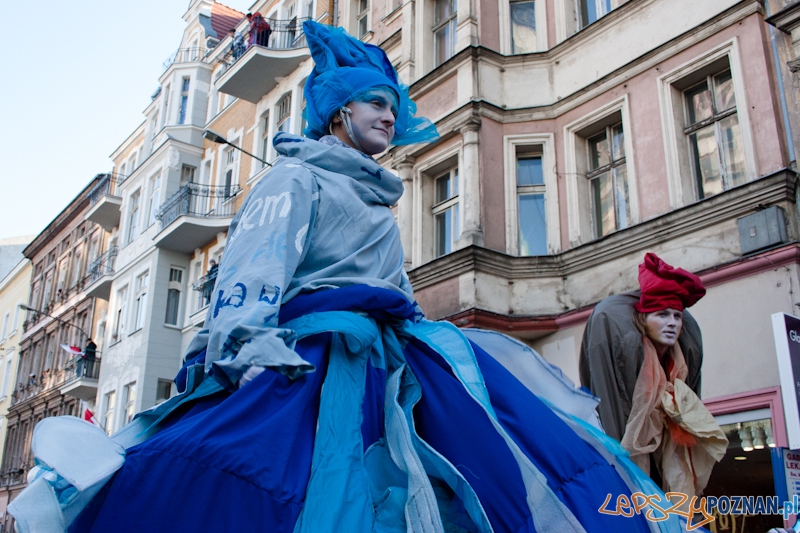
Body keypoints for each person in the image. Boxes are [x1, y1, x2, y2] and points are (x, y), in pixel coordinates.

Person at [13, 22, 666, 533]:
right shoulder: (297, 179)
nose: (388, 115)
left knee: (472, 471)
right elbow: (253, 269)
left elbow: (397, 291)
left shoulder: (380, 198)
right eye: (374, 103)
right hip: (307, 361)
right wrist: (247, 340)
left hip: (390, 359)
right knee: (283, 486)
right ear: (336, 113)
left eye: (392, 105)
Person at [580, 253, 727, 497]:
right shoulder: (630, 363)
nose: (672, 323)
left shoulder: (679, 366)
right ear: (643, 319)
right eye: (662, 314)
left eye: (677, 316)